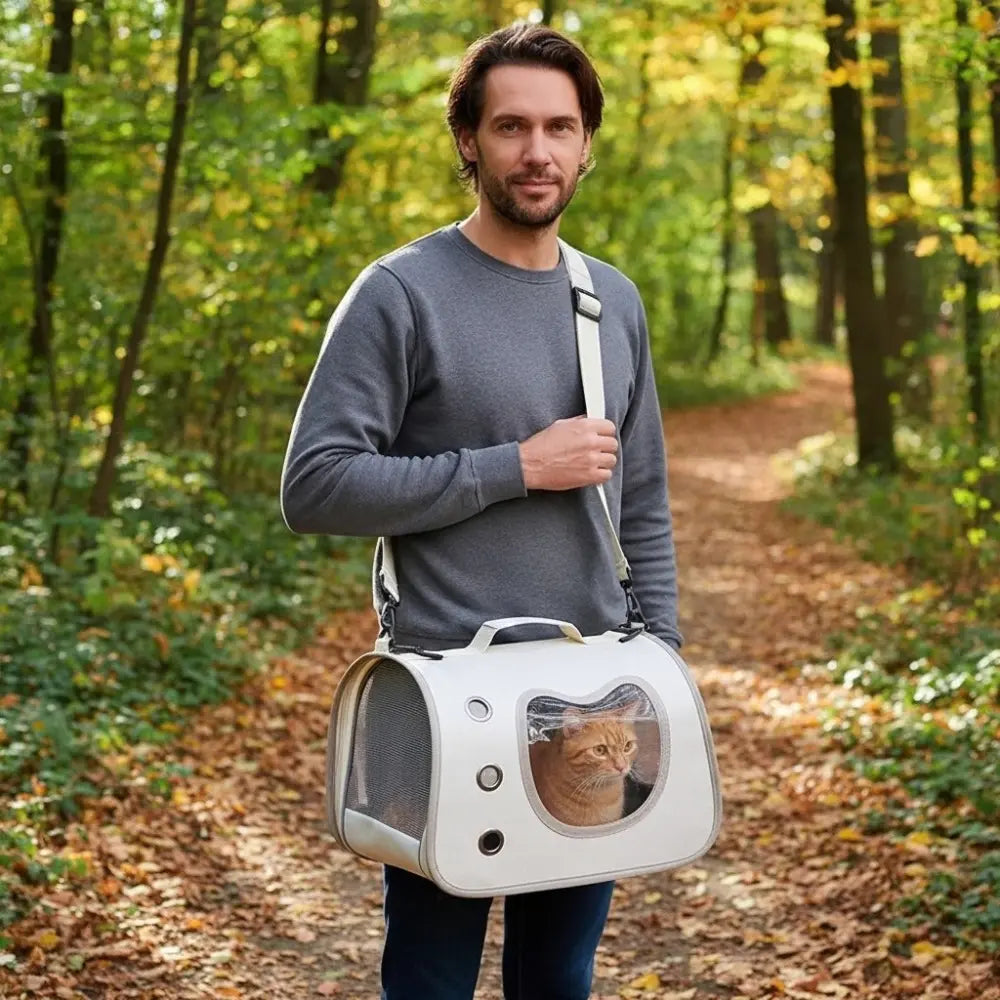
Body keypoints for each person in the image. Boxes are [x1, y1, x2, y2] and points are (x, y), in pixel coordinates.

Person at [280, 22, 682, 1000]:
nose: (537, 151)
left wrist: (661, 663)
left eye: (559, 127)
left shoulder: (611, 301)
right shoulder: (399, 293)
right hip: (446, 697)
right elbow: (316, 485)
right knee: (428, 976)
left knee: (559, 976)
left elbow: (641, 500)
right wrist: (515, 467)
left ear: (587, 143)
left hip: (590, 697)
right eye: (511, 126)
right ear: (468, 139)